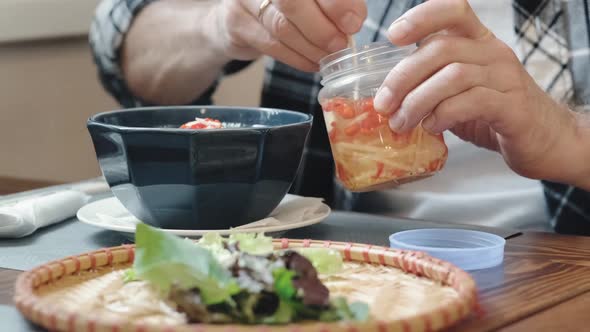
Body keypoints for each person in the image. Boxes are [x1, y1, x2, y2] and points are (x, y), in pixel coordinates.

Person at [89, 0, 590, 234]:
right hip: (345, 254)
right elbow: (120, 43)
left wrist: (567, 136)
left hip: (559, 263)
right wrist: (218, 24)